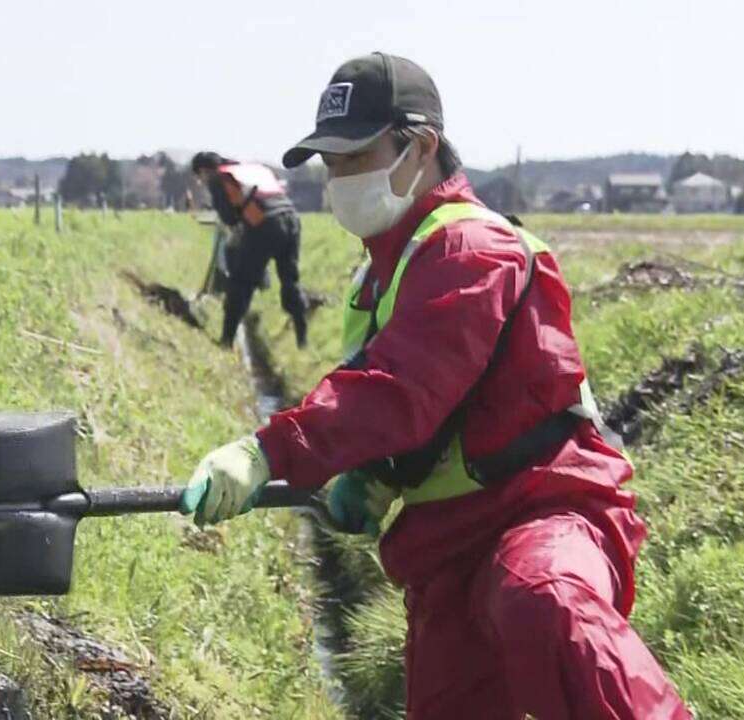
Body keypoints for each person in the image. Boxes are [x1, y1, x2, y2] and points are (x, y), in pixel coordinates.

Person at [179, 53, 692, 719]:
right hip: (446, 547)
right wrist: (372, 480)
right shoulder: (380, 276)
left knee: (542, 598)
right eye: (331, 165)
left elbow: (398, 389)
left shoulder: (471, 250)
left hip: (541, 508)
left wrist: (266, 452)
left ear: (418, 148)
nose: (338, 180)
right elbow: (408, 413)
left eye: (356, 157)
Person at [191, 151, 308, 347]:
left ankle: (226, 340)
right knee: (290, 280)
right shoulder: (251, 169)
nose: (201, 181)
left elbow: (229, 218)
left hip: (265, 225)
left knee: (241, 283)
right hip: (292, 220)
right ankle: (302, 339)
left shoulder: (218, 178)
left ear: (203, 171)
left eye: (199, 177)